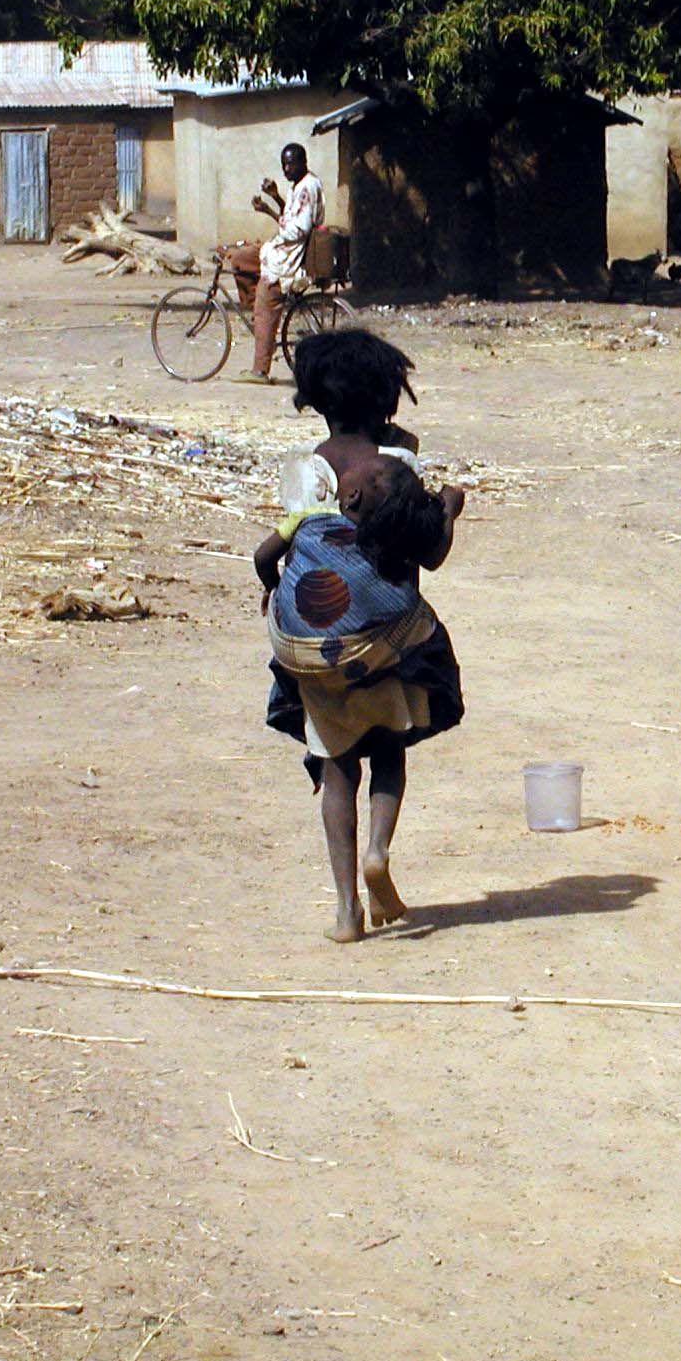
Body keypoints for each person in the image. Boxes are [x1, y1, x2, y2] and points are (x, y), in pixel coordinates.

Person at [260, 328, 465, 941]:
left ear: (316, 402)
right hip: (385, 645)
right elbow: (429, 555)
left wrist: (271, 591)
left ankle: (347, 910)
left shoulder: (300, 471)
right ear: (388, 402)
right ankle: (379, 850)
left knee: (336, 768)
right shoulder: (397, 467)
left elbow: (277, 551)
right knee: (389, 751)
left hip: (315, 652)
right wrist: (449, 510)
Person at [226, 142, 324, 386]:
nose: (286, 169)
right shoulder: (298, 186)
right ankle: (258, 316)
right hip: (279, 248)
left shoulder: (307, 188)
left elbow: (296, 230)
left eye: (290, 164)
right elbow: (290, 215)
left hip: (288, 256)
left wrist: (270, 213)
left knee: (266, 299)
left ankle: (260, 369)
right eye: (284, 165)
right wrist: (275, 199)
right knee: (239, 258)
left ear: (303, 162)